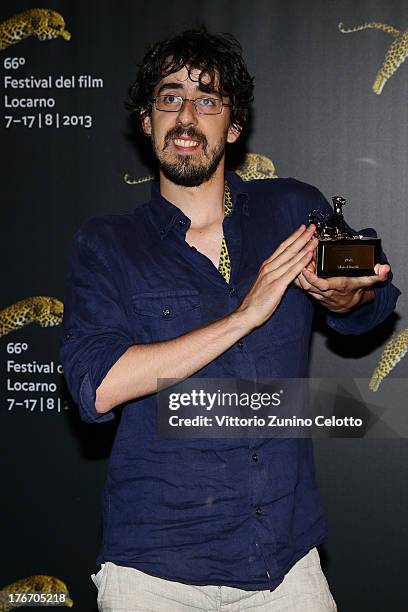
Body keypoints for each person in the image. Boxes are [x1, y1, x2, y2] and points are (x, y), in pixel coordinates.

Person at [61, 27, 400, 612]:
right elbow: (97, 386)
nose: (186, 116)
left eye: (207, 100)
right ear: (146, 121)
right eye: (169, 98)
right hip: (154, 574)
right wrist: (245, 315)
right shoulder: (107, 244)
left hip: (286, 568)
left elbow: (370, 293)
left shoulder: (292, 209)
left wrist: (347, 298)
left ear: (233, 126)